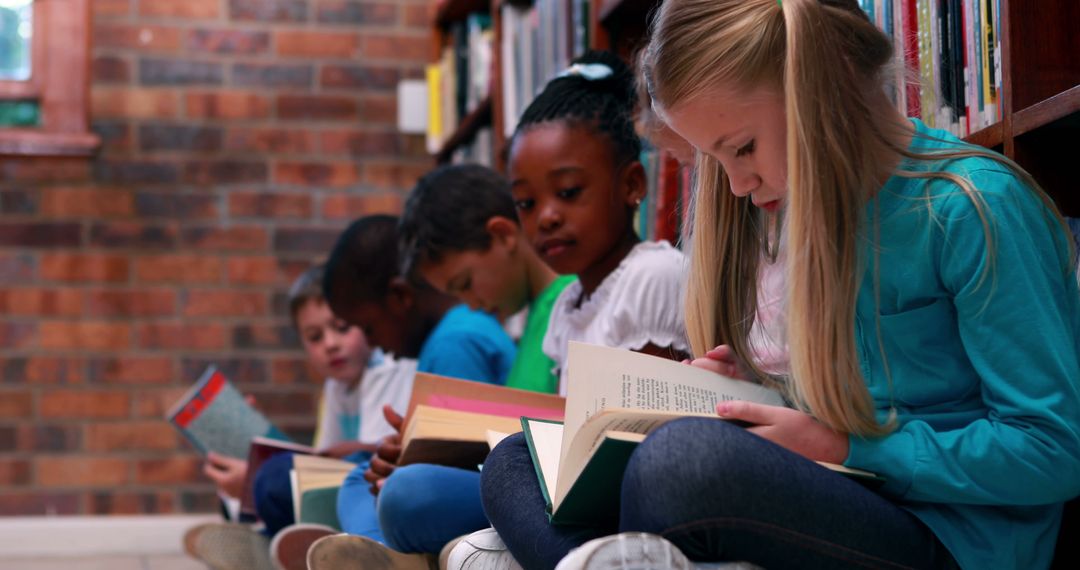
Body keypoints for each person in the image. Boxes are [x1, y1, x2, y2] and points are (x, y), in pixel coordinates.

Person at [482, 1, 1080, 569]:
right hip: (833, 494)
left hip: (948, 534)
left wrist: (847, 450)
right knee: (515, 461)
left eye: (743, 148)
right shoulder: (792, 205)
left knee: (677, 467)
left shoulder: (972, 208)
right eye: (716, 161)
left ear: (827, 85)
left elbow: (1054, 450)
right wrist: (756, 395)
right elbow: (839, 405)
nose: (739, 186)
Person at [309, 214, 517, 569]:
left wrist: (408, 459)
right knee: (364, 475)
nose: (374, 345)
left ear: (400, 297)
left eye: (369, 329)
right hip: (488, 483)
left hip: (508, 490)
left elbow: (472, 452)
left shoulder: (455, 342)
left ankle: (386, 555)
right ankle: (383, 553)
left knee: (401, 491)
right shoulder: (450, 335)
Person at [183, 265, 416, 570]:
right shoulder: (335, 388)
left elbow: (362, 465)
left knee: (273, 480)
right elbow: (322, 460)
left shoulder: (386, 370)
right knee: (270, 478)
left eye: (342, 328)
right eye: (315, 337)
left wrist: (259, 478)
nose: (330, 343)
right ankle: (279, 544)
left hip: (372, 496)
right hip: (340, 490)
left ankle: (281, 544)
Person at [508, 50, 692, 394]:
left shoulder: (650, 278)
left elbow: (638, 433)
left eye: (568, 191)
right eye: (526, 203)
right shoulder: (568, 305)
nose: (546, 218)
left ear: (632, 184)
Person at [399, 163, 576, 394]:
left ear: (502, 235)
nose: (472, 305)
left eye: (466, 284)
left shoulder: (574, 309)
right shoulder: (537, 316)